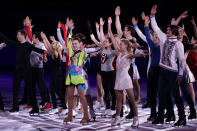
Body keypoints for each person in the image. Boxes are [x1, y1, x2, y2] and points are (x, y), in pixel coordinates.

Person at [150, 5, 186, 126]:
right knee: (161, 94)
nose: (167, 30)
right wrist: (152, 16)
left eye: (169, 30)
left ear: (174, 32)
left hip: (172, 73)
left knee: (176, 95)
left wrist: (180, 74)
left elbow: (181, 61)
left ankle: (182, 118)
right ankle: (160, 117)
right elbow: (154, 27)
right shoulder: (163, 38)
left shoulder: (178, 44)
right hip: (162, 70)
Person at [0, 30, 46, 113]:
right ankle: (15, 107)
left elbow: (39, 50)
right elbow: (7, 40)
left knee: (30, 89)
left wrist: (45, 54)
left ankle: (35, 108)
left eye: (18, 35)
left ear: (22, 36)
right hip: (18, 70)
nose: (17, 36)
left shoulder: (28, 45)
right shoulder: (17, 44)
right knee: (15, 89)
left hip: (27, 71)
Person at [143, 15, 161, 121]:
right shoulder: (153, 47)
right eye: (154, 37)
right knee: (152, 94)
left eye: (156, 37)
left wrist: (147, 26)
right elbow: (148, 39)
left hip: (160, 71)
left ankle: (164, 113)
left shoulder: (162, 46)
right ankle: (153, 114)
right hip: (152, 71)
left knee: (162, 93)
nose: (154, 39)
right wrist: (146, 26)